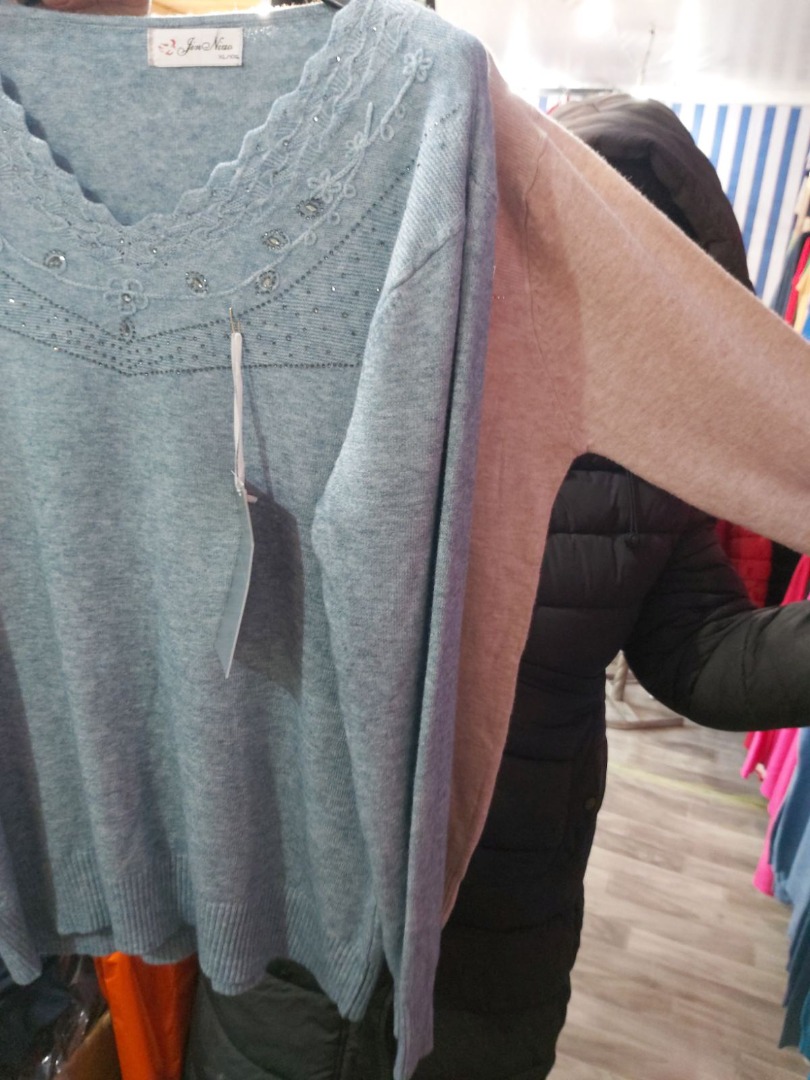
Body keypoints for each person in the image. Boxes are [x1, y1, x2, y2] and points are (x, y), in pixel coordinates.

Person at [183, 93, 810, 1079]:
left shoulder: (650, 455)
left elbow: (701, 650)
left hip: (499, 916)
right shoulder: (362, 361)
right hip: (301, 883)